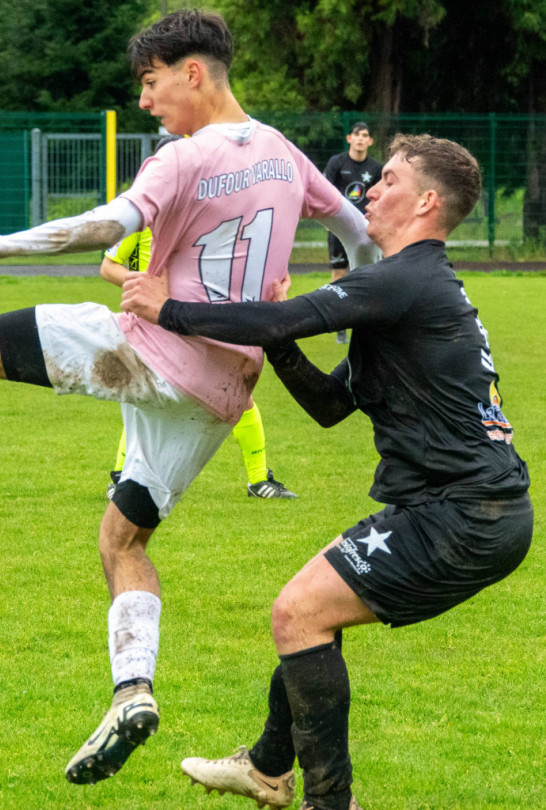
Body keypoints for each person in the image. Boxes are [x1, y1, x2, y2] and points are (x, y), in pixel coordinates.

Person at [0, 9, 376, 788]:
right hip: (224, 392)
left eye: (151, 85)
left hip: (152, 350)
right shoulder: (289, 157)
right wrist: (353, 326)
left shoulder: (187, 158)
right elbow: (361, 241)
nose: (147, 102)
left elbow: (97, 227)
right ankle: (133, 692)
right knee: (123, 540)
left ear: (194, 72)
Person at [121, 133, 532, 810]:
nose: (370, 189)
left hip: (465, 512)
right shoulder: (409, 291)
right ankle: (265, 767)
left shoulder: (404, 280)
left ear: (427, 203)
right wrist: (279, 344)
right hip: (461, 509)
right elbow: (330, 406)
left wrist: (167, 307)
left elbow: (281, 316)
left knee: (299, 611)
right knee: (310, 613)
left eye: (391, 180)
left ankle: (326, 801)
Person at [101, 135, 297, 502]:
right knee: (145, 397)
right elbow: (108, 266)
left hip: (201, 318)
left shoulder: (212, 207)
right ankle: (120, 475)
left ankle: (259, 480)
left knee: (237, 393)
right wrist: (144, 287)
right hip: (156, 322)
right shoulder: (144, 215)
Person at [322, 122, 382, 343]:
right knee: (339, 274)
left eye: (365, 135)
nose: (360, 139)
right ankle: (340, 325)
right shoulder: (337, 163)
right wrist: (329, 221)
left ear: (370, 141)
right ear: (349, 138)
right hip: (339, 229)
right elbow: (325, 191)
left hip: (366, 231)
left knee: (368, 275)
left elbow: (381, 198)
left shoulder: (376, 169)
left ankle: (368, 321)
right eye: (357, 135)